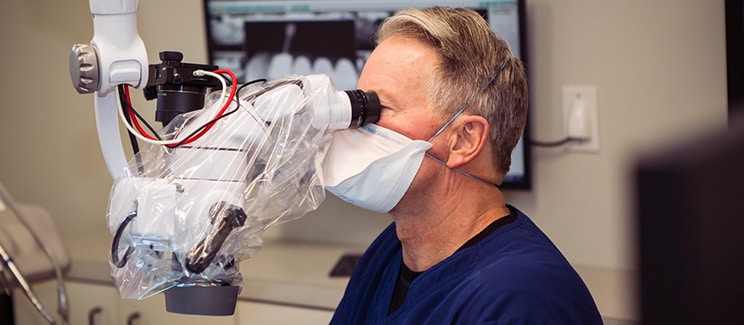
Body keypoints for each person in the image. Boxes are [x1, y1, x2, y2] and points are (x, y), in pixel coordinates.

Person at [328, 6, 602, 324]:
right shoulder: (390, 251)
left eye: (379, 107)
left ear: (464, 140)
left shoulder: (521, 299)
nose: (354, 124)